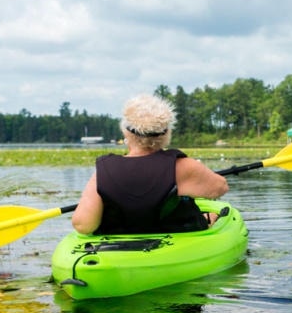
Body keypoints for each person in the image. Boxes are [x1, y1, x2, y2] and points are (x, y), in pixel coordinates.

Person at [72, 94, 228, 235]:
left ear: (126, 132)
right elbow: (220, 188)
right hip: (178, 240)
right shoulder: (183, 166)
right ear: (167, 133)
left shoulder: (104, 171)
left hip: (119, 248)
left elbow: (83, 225)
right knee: (213, 215)